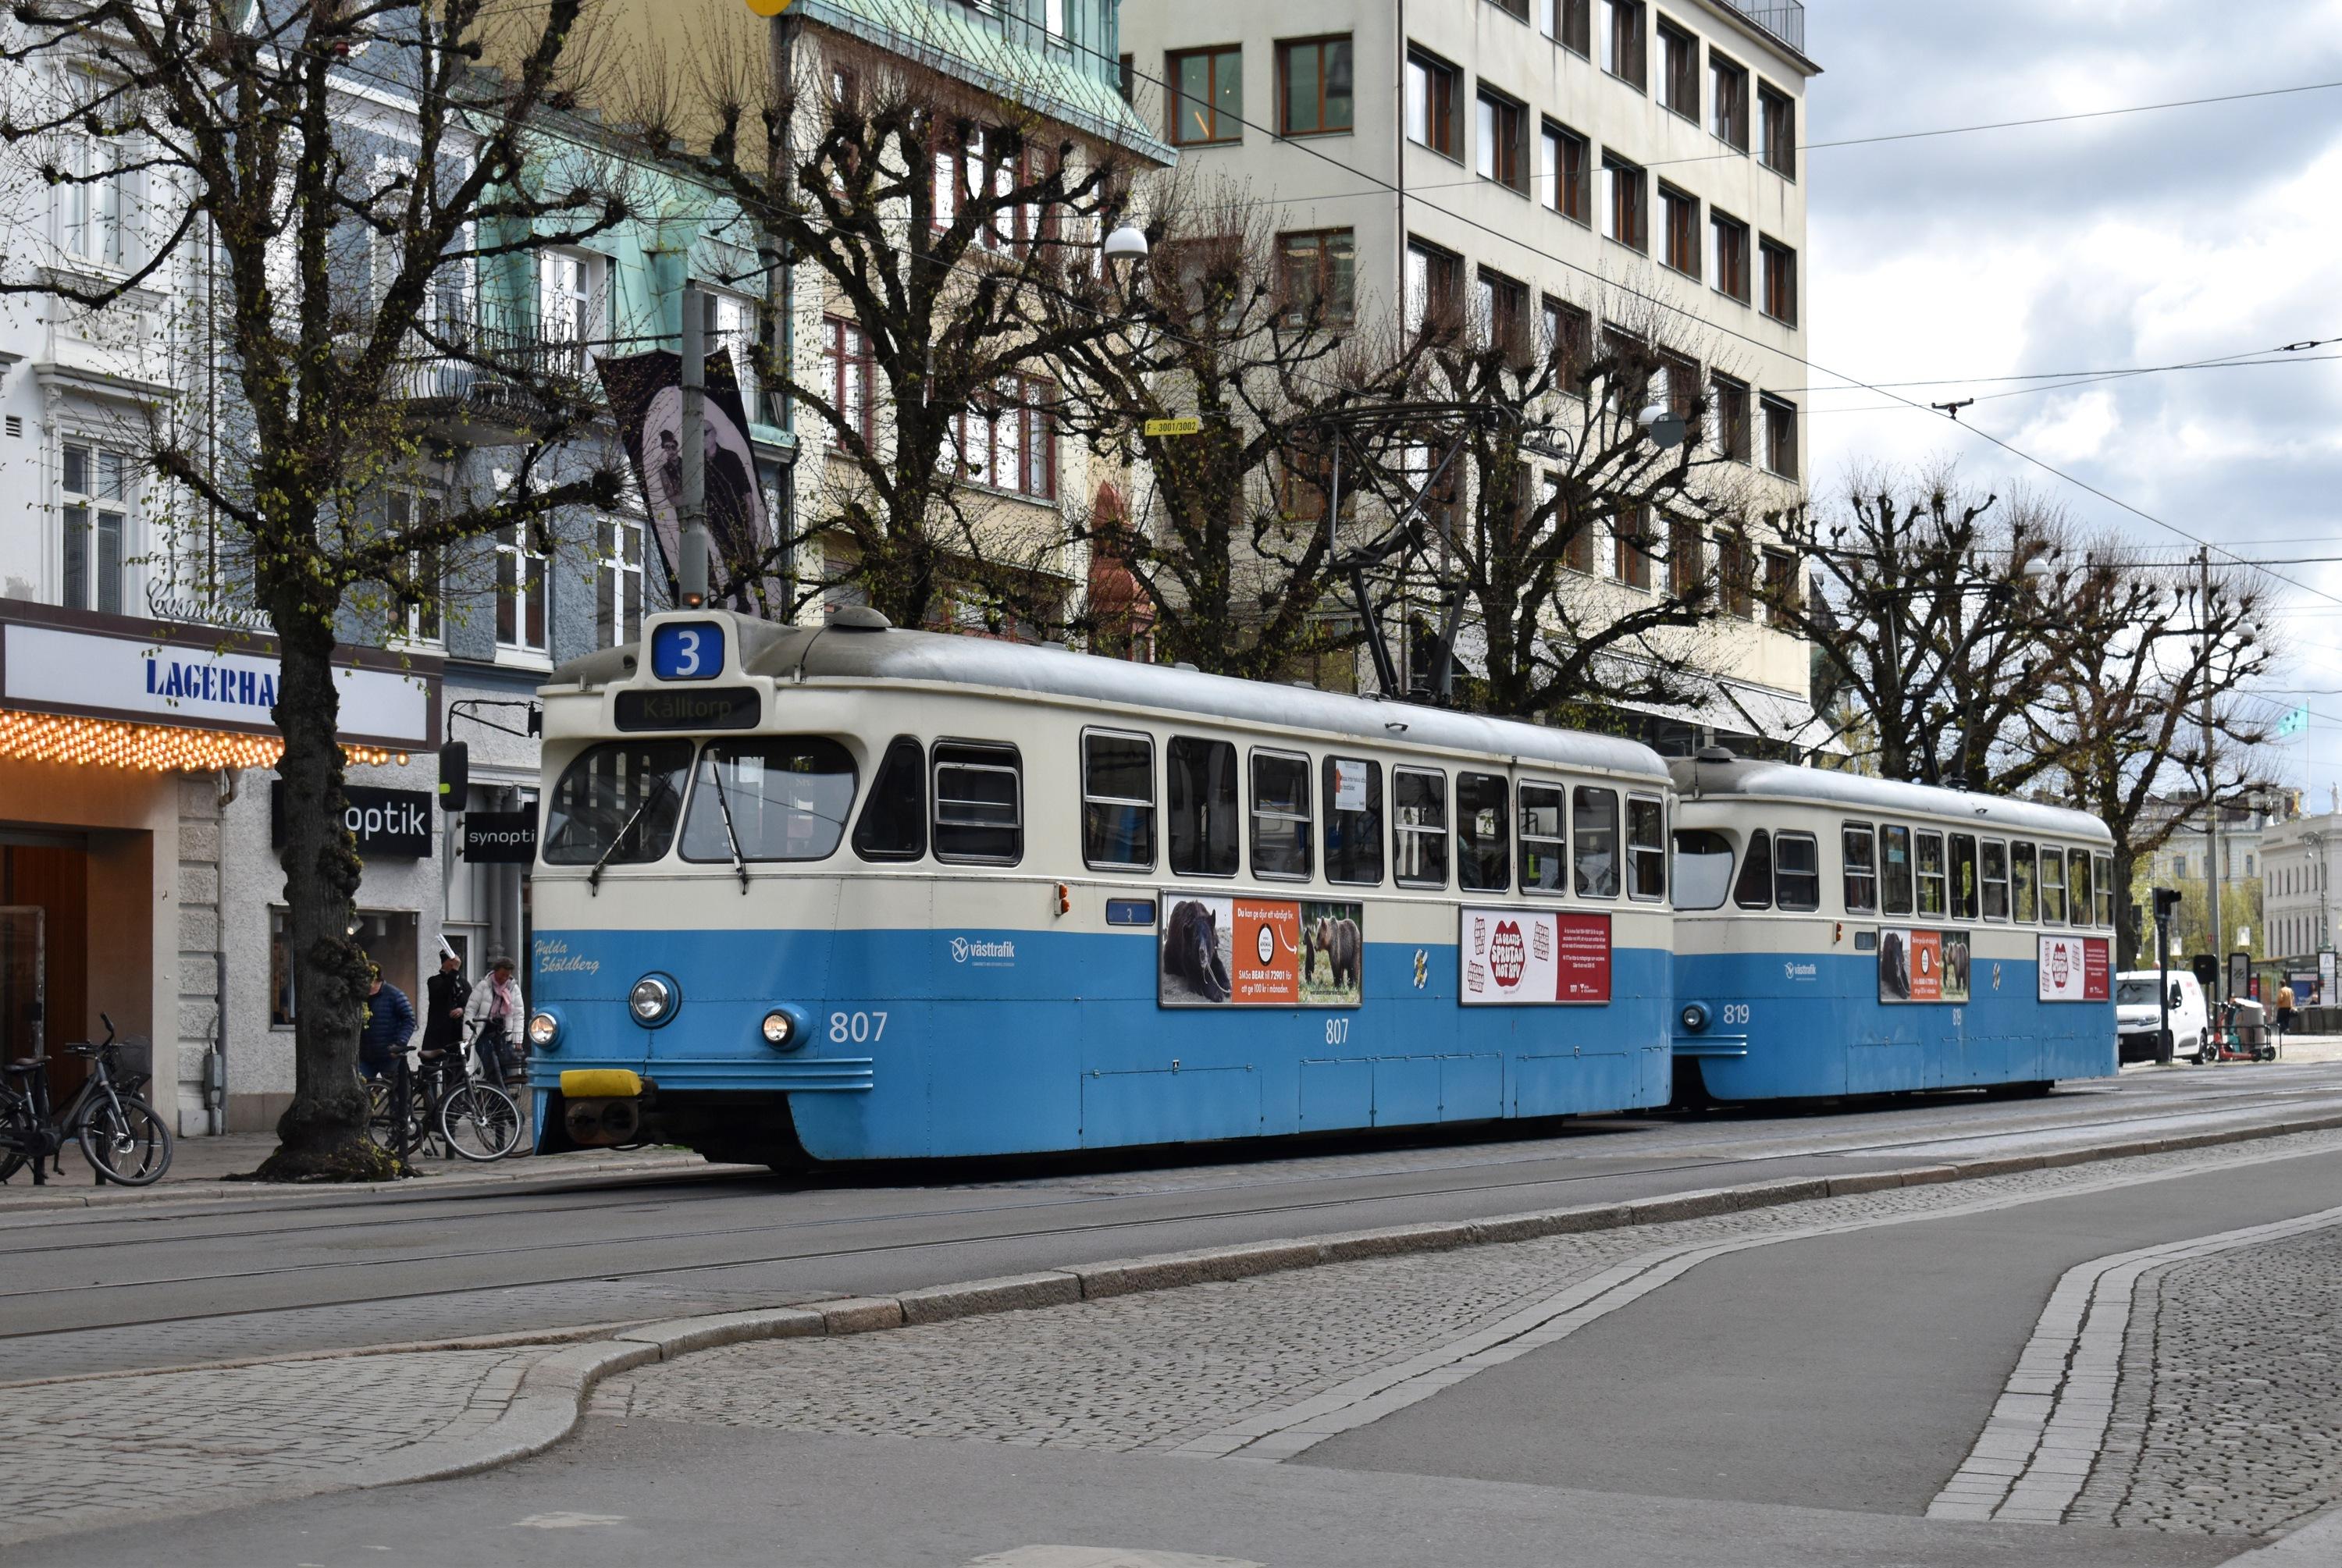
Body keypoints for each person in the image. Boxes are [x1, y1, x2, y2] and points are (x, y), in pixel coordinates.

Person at [464, 954, 525, 1093]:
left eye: (507, 975)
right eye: (502, 975)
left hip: (502, 1032)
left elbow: (518, 1015)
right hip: (483, 1031)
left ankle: (502, 1102)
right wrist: (467, 1037)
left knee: (503, 1069)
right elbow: (471, 1010)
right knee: (490, 1065)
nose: (504, 978)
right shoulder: (484, 986)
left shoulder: (513, 989)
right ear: (495, 971)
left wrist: (517, 1039)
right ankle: (492, 1099)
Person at [359, 965, 416, 1082]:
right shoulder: (360, 995)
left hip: (389, 1055)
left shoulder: (394, 994)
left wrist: (399, 1044)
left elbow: (409, 1019)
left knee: (396, 1092)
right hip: (365, 1055)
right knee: (359, 1089)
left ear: (375, 978)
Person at [421, 944, 471, 1065]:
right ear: (446, 962)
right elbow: (442, 994)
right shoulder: (434, 981)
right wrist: (453, 972)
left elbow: (471, 1004)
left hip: (458, 1033)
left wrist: (462, 1010)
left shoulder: (463, 983)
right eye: (452, 961)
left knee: (457, 1072)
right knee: (432, 1070)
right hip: (439, 1034)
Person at [2276, 981, 2296, 1047]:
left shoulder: (2281, 990)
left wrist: (2278, 1002)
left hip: (2282, 1007)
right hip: (2289, 1007)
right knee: (2286, 1019)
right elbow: (2293, 998)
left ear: (2280, 984)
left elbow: (2280, 998)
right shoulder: (2290, 990)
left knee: (2279, 1020)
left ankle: (2284, 1029)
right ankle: (2285, 1030)